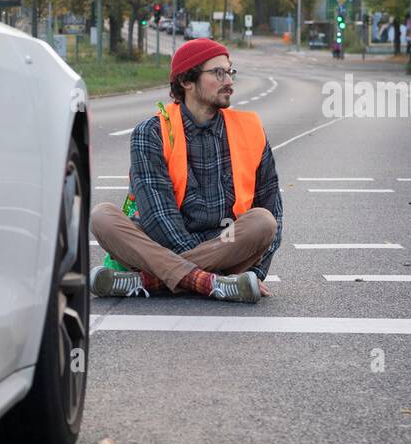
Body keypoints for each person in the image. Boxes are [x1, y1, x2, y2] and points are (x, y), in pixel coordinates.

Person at [90, 38, 283, 303]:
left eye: (230, 71)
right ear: (186, 81)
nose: (229, 81)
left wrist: (256, 273)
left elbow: (273, 207)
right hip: (159, 244)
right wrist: (196, 272)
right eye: (218, 72)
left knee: (264, 221)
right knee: (102, 217)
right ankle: (212, 283)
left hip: (224, 244)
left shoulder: (249, 130)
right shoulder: (152, 132)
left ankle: (149, 282)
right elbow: (159, 220)